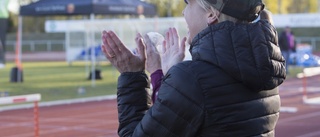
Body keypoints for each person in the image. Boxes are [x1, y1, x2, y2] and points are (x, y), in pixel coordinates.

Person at [101, 0, 286, 136]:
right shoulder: (262, 71)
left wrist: (131, 76)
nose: (183, 12)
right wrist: (164, 77)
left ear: (211, 14)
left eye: (188, 4)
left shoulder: (192, 79)